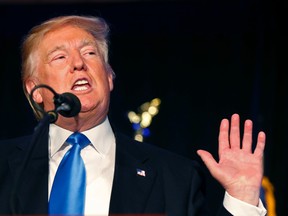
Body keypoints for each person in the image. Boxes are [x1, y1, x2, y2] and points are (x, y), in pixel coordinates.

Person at [0, 15, 267, 216]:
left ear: (109, 76)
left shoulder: (174, 178)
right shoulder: (5, 167)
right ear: (34, 89)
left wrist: (242, 199)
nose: (78, 63)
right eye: (59, 57)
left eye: (90, 52)